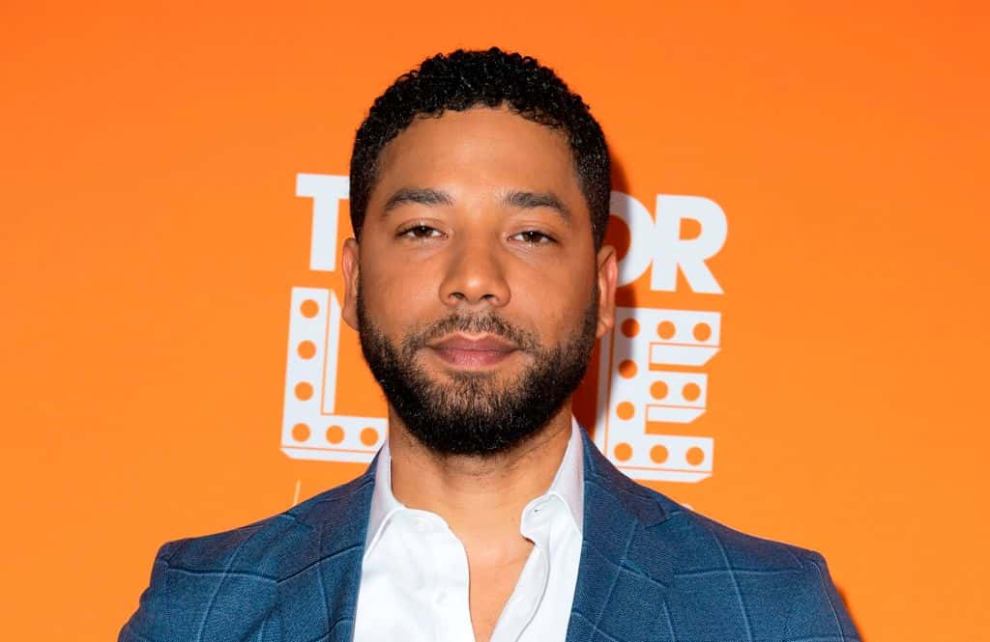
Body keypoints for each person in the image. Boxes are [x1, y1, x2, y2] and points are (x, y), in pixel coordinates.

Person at [119, 47, 860, 642]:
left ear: (604, 291)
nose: (475, 280)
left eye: (530, 235)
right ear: (350, 281)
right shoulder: (202, 609)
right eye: (423, 231)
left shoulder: (768, 614)